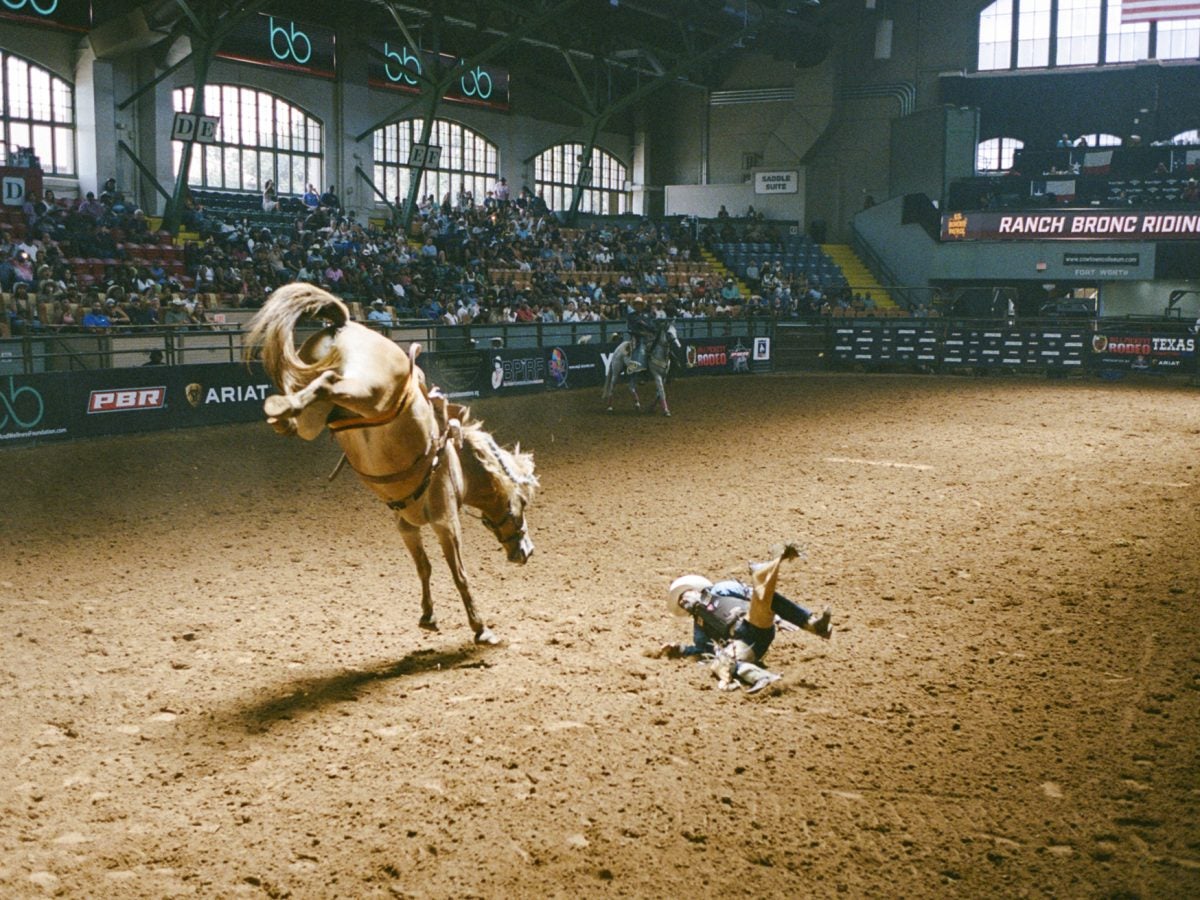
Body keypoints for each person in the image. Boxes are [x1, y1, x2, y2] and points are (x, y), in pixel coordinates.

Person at [654, 543, 832, 693]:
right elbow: (703, 650)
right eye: (681, 601)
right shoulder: (699, 626)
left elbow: (752, 594)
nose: (684, 600)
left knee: (763, 596)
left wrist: (777, 618)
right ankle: (765, 678)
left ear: (695, 589)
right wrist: (680, 649)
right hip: (743, 643)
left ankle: (813, 624)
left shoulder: (721, 589)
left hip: (750, 620)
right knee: (721, 661)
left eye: (685, 595)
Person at [624, 296, 657, 373]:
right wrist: (641, 333)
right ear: (634, 306)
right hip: (637, 337)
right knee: (641, 348)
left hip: (649, 336)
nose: (638, 306)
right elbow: (630, 328)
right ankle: (635, 366)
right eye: (637, 304)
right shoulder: (631, 316)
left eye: (640, 304)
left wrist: (649, 327)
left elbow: (652, 326)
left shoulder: (647, 315)